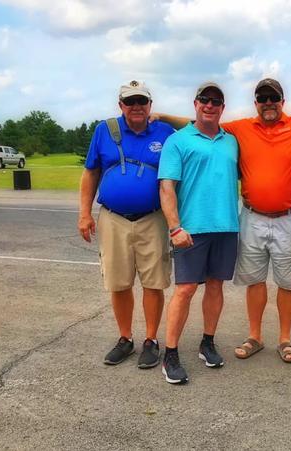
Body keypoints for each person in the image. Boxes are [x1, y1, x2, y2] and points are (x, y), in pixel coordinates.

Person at [152, 80, 291, 364]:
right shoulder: (239, 128)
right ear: (256, 102)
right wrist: (162, 117)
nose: (268, 102)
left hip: (287, 217)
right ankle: (255, 336)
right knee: (255, 280)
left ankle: (285, 339)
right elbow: (200, 120)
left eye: (273, 97)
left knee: (287, 282)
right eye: (262, 97)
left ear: (282, 101)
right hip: (252, 216)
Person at [78, 80, 175, 369]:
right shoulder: (104, 130)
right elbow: (90, 173)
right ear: (120, 105)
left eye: (141, 102)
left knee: (153, 282)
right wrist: (84, 213)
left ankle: (151, 339)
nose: (136, 107)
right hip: (113, 218)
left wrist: (167, 117)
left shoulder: (165, 132)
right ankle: (125, 338)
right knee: (119, 282)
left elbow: (198, 124)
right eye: (130, 102)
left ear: (150, 106)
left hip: (153, 217)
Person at [158, 82, 239, 384]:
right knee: (186, 290)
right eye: (204, 99)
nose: (210, 105)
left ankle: (207, 341)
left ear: (222, 107)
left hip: (226, 226)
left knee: (216, 286)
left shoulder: (231, 141)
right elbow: (167, 187)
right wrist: (175, 227)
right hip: (190, 229)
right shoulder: (178, 141)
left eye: (216, 101)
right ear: (195, 103)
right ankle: (170, 353)